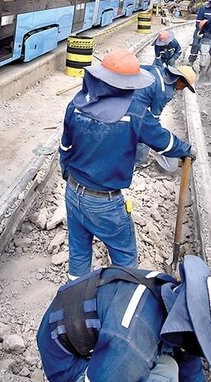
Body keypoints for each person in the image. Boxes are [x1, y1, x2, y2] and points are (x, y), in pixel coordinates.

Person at [60, 50, 195, 280]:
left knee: (79, 251)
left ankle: (74, 297)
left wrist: (71, 178)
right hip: (105, 202)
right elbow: (164, 142)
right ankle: (120, 299)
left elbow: (65, 150)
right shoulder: (134, 113)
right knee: (125, 258)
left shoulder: (77, 104)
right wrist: (186, 150)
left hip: (73, 192)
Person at [37, 255, 211, 382]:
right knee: (164, 375)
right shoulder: (132, 343)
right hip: (65, 363)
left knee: (170, 369)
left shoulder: (172, 295)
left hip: (83, 330)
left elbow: (188, 361)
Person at [134, 62, 197, 164]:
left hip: (126, 92)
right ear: (179, 80)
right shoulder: (165, 92)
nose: (181, 89)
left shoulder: (158, 69)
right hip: (134, 104)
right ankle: (139, 161)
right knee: (146, 132)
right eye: (184, 86)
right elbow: (154, 118)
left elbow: (138, 67)